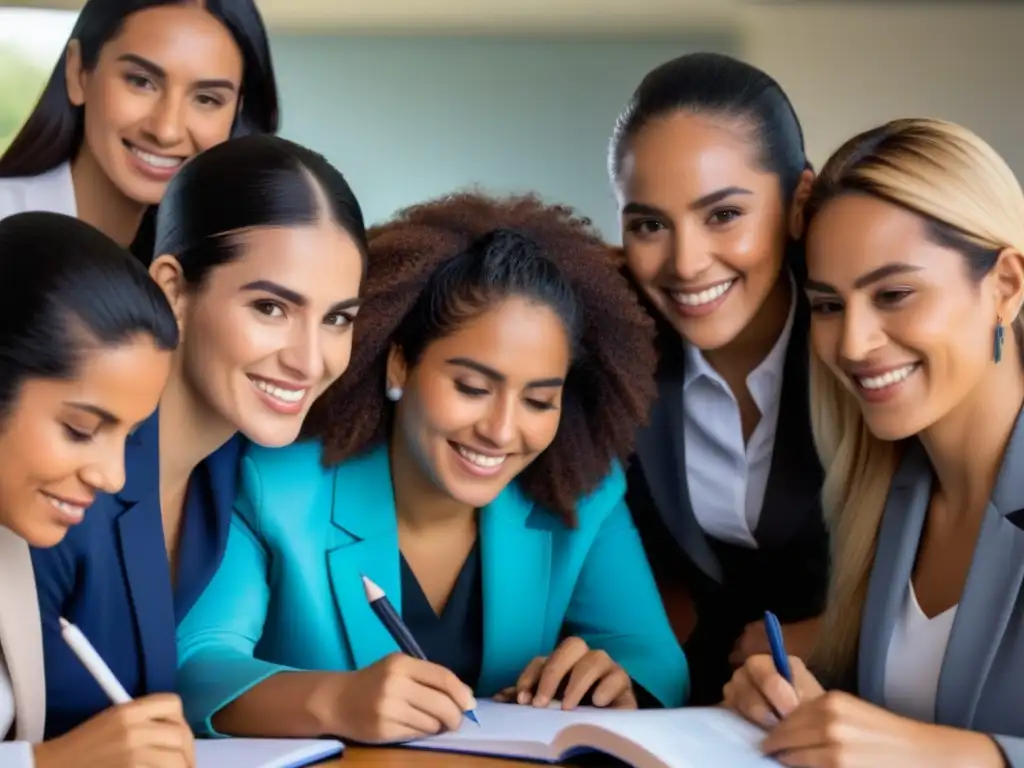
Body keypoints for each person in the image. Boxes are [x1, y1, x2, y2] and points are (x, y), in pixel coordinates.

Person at [174, 192, 689, 744]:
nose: (501, 429)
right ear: (400, 363)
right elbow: (198, 665)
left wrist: (617, 679)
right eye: (471, 387)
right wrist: (334, 701)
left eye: (539, 401)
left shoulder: (583, 493)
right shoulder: (276, 484)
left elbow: (655, 657)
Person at [31, 134, 368, 738]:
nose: (309, 359)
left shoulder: (233, 470)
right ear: (172, 289)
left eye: (337, 318)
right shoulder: (63, 467)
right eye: (271, 308)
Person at [723, 118, 1024, 767]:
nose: (853, 345)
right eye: (829, 306)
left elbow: (932, 747)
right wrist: (807, 710)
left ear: (1005, 286)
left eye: (894, 294)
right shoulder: (892, 489)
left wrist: (969, 758)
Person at [608, 51, 826, 704]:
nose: (686, 263)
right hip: (681, 723)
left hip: (868, 715)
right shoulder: (614, 356)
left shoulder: (864, 349)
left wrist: (843, 634)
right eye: (649, 224)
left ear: (799, 203)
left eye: (723, 215)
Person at [0, 211, 193, 766]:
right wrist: (50, 762)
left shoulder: (13, 549)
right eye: (81, 430)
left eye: (129, 438)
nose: (112, 478)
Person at [0, 0, 278, 260]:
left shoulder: (212, 264)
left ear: (237, 112)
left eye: (207, 99)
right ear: (78, 73)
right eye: (141, 82)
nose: (166, 131)